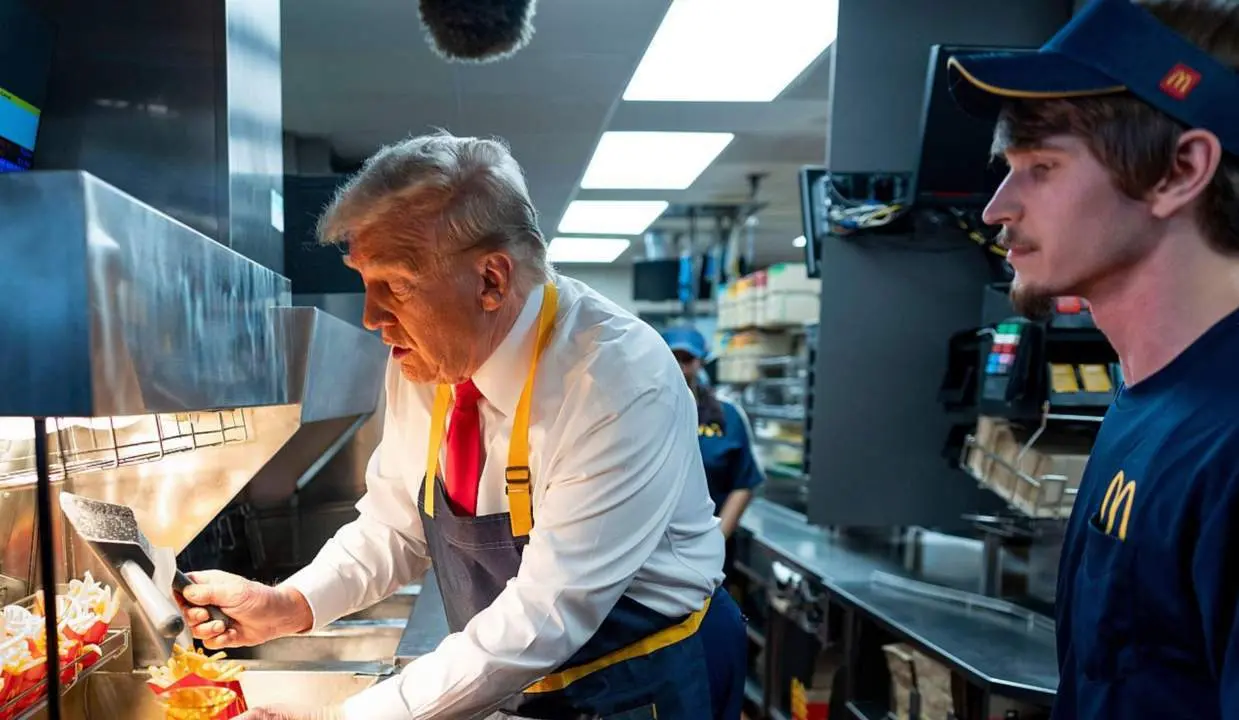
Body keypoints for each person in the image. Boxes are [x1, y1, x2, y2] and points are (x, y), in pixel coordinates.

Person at [179, 131, 747, 719]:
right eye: (364, 283)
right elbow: (393, 527)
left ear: (491, 281)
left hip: (644, 677)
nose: (372, 317)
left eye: (394, 286)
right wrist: (291, 603)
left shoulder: (614, 377)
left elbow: (548, 612)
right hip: (521, 672)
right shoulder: (427, 360)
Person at [948, 0, 1239, 717]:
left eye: (1040, 167)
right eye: (1006, 167)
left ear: (1179, 170)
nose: (995, 207)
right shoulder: (1144, 398)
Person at [660, 326, 764, 541]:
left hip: (708, 544)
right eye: (672, 358)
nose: (680, 367)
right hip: (652, 549)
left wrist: (715, 543)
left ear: (700, 362)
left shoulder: (728, 416)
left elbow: (743, 483)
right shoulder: (643, 413)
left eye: (687, 359)